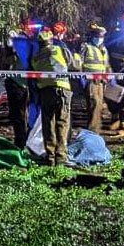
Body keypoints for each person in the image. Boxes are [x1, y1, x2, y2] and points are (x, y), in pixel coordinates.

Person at [31, 28, 72, 166]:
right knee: (62, 123)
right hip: (62, 90)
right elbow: (72, 63)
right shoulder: (59, 50)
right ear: (51, 40)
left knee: (48, 124)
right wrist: (62, 43)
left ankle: (50, 157)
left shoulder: (35, 57)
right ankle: (61, 157)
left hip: (45, 91)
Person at [4, 26, 37, 148]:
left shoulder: (23, 45)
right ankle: (22, 141)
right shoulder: (26, 44)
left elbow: (10, 60)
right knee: (20, 115)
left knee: (21, 115)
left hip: (22, 84)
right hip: (20, 83)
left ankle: (23, 142)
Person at [80, 23, 110, 133]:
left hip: (101, 81)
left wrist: (108, 76)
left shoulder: (104, 49)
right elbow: (79, 63)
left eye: (101, 37)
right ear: (93, 36)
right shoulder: (86, 47)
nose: (100, 39)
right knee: (94, 104)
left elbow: (106, 64)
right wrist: (82, 78)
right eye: (98, 37)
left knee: (99, 106)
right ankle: (92, 130)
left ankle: (96, 129)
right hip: (90, 80)